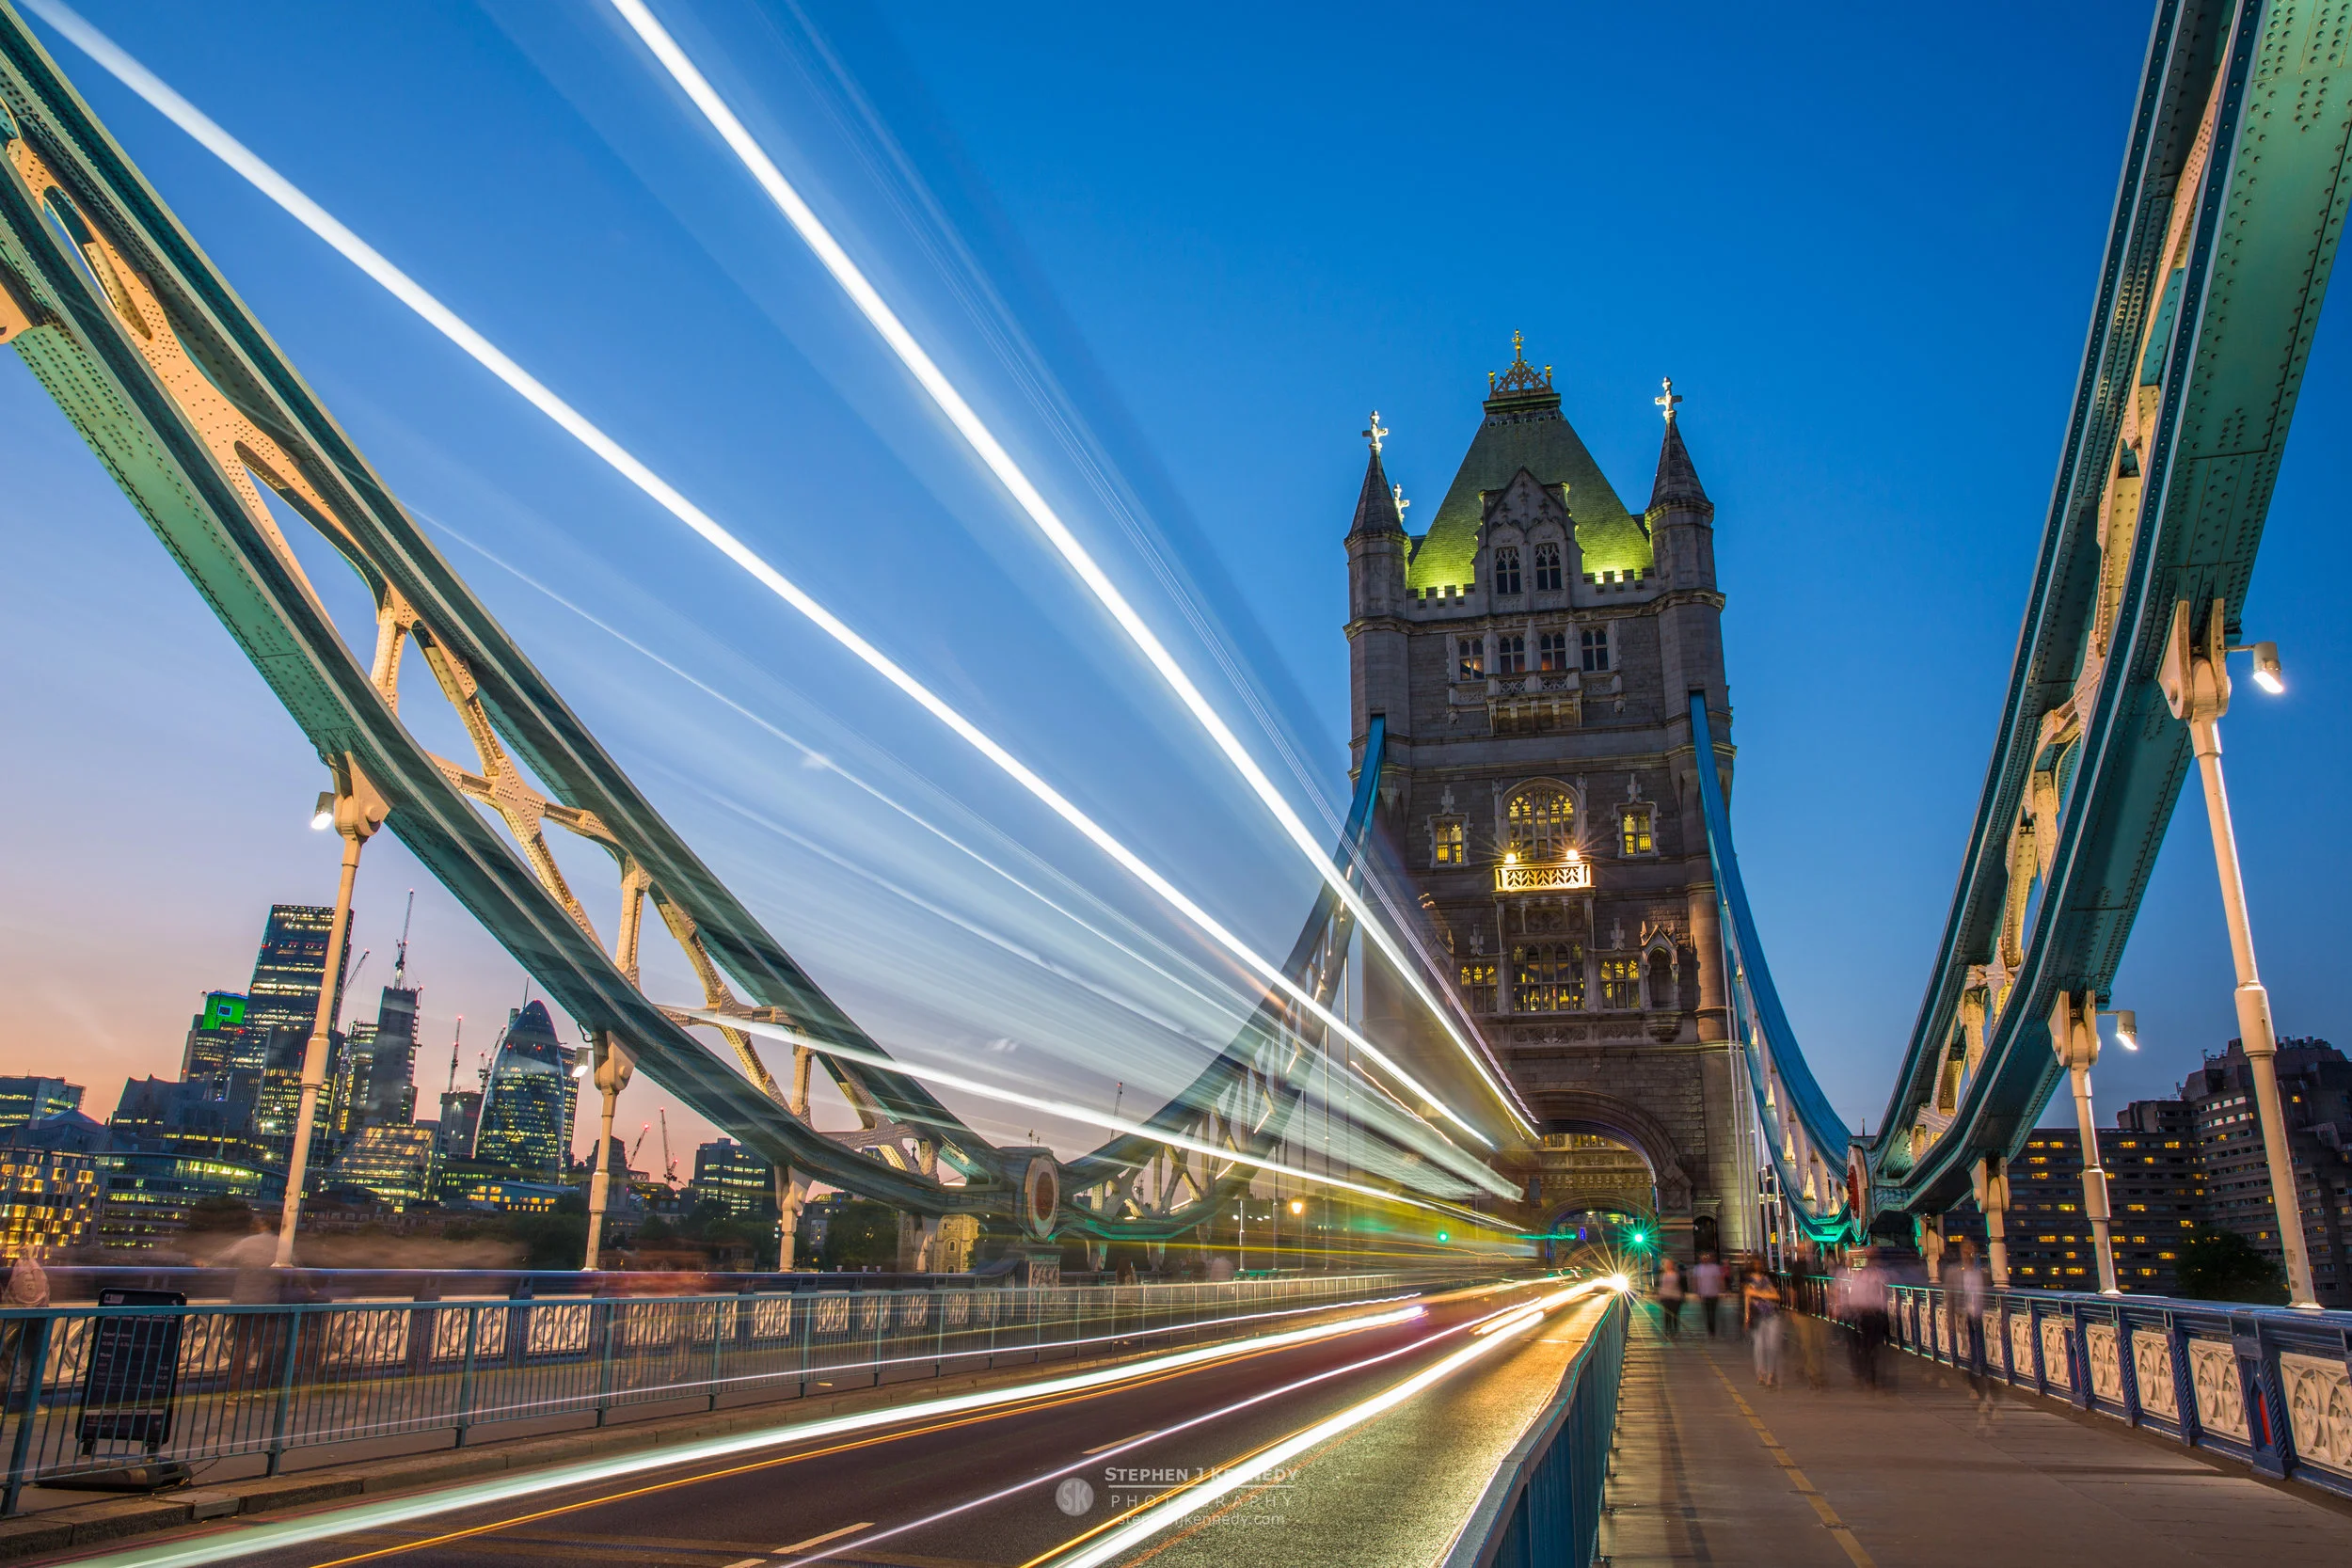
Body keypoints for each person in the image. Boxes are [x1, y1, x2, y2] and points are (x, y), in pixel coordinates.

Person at [1, 1248, 49, 1399]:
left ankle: (14, 1400)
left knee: (15, 1360)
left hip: (19, 1320)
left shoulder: (19, 1270)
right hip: (24, 1319)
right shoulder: (30, 1270)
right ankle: (16, 1401)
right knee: (17, 1360)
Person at [1743, 1265, 1783, 1387]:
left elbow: (1776, 1296)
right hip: (1758, 1318)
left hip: (1771, 1315)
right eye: (1754, 1275)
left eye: (1758, 1275)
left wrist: (1759, 1293)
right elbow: (1747, 1298)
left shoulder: (1767, 1281)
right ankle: (1761, 1374)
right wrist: (1747, 1317)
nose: (1756, 1277)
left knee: (1771, 1346)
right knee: (1759, 1347)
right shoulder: (1748, 1284)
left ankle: (1770, 1375)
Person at [1692, 1253, 1725, 1338]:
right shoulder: (1697, 1268)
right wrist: (1696, 1291)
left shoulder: (1715, 1268)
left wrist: (1723, 1289)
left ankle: (1712, 1331)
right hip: (1704, 1294)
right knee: (1707, 1313)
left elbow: (1720, 1279)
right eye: (1703, 1258)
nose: (1705, 1259)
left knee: (1712, 1313)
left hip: (1714, 1294)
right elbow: (1695, 1280)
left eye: (1706, 1258)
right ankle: (1710, 1330)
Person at [1654, 1257, 1684, 1340]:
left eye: (1670, 1264)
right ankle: (1667, 1331)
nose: (1668, 1265)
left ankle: (1675, 1331)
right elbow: (1660, 1286)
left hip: (1675, 1297)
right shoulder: (1662, 1275)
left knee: (1675, 1315)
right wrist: (1659, 1295)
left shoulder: (1677, 1274)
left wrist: (1682, 1296)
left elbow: (1681, 1285)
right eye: (1667, 1264)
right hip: (1666, 1297)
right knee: (1667, 1315)